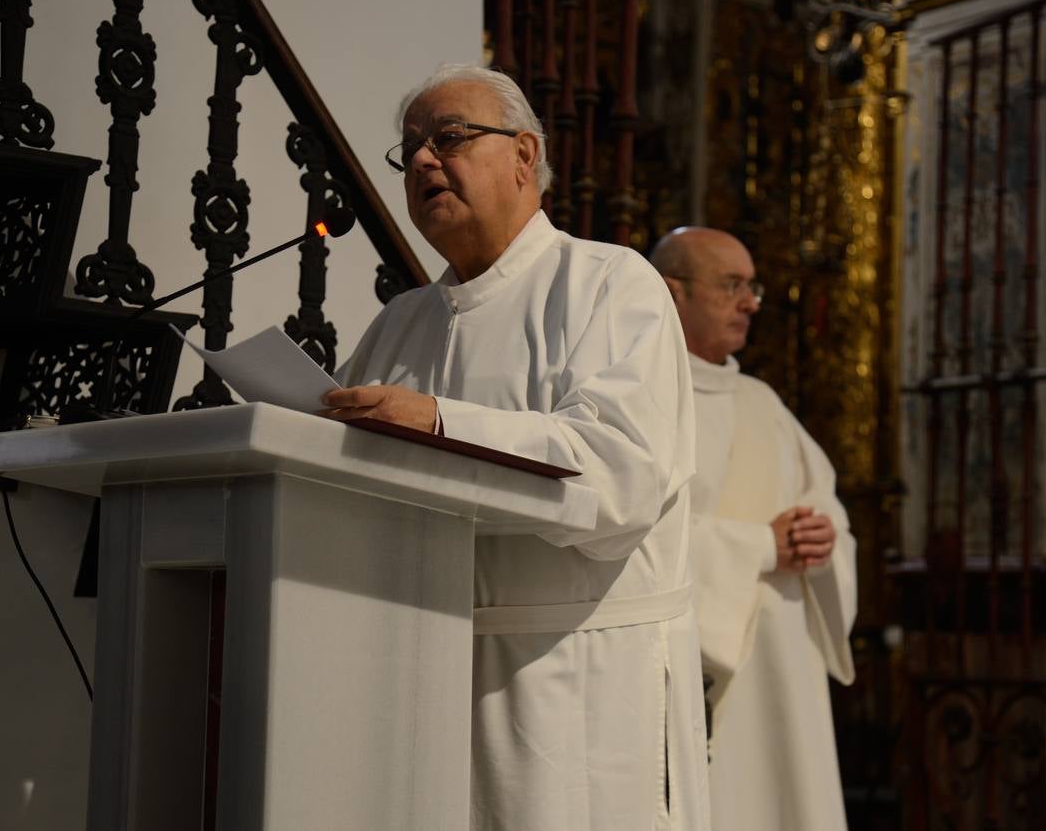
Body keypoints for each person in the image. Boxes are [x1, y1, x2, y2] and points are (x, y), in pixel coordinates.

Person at [323, 64, 710, 830]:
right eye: (410, 151)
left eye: (451, 137)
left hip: (574, 681)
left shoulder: (609, 282)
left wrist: (439, 422)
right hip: (422, 673)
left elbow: (619, 474)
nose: (425, 161)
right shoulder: (400, 322)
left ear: (525, 157)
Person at [651, 227, 857, 831]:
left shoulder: (761, 401)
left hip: (780, 667)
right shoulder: (643, 392)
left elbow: (828, 512)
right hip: (688, 665)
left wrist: (824, 540)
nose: (751, 303)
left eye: (753, 288)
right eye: (732, 286)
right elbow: (634, 533)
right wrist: (760, 546)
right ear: (672, 292)